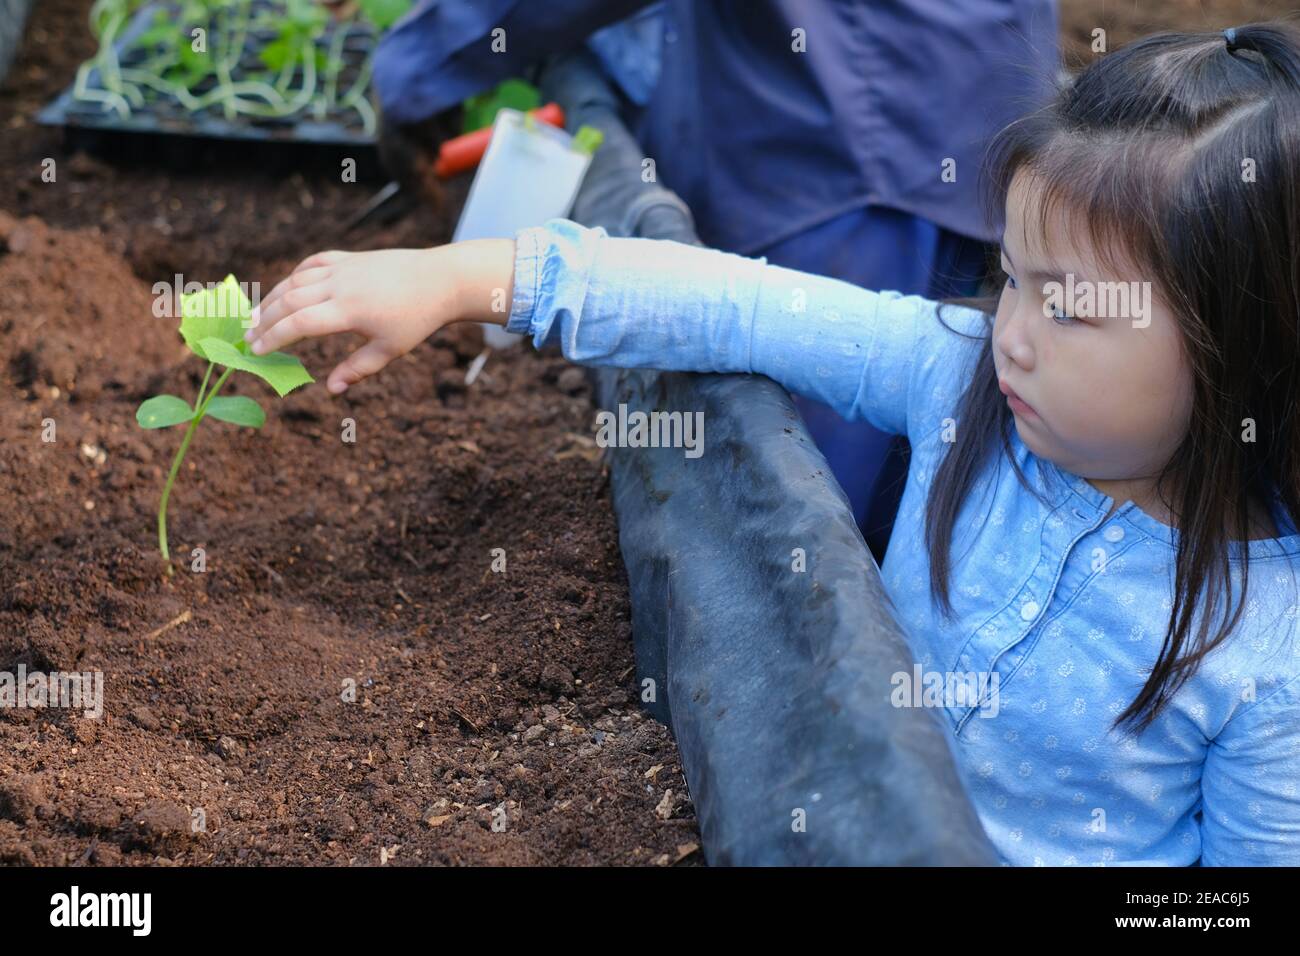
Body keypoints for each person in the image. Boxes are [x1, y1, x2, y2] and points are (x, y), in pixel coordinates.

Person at [246, 22, 1300, 865]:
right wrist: (458, 278)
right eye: (1011, 278)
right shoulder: (954, 374)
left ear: (1240, 339)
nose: (1011, 332)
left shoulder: (1271, 659)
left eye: (1069, 305)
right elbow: (736, 304)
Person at [372, 0, 1060, 560]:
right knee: (918, 467)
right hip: (965, 99)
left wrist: (423, 63)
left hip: (844, 132)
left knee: (814, 510)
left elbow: (729, 312)